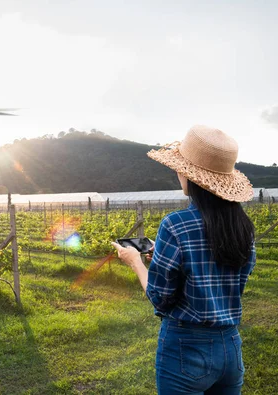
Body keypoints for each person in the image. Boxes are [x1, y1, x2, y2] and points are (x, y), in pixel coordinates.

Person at [111, 125, 256, 395]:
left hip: (186, 348)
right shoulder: (242, 228)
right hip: (230, 347)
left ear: (189, 175)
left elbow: (160, 298)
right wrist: (163, 254)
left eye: (181, 168)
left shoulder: (175, 225)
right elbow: (227, 280)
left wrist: (136, 262)